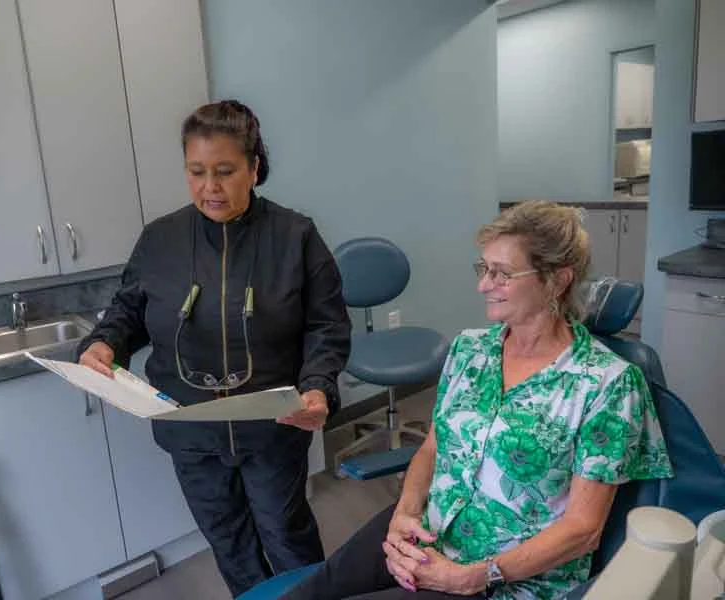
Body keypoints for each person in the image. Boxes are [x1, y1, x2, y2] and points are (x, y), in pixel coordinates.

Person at [282, 200, 673, 600]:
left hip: (506, 578)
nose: (483, 285)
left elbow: (583, 530)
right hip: (431, 528)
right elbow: (432, 449)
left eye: (501, 274)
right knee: (308, 593)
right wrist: (405, 513)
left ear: (557, 280)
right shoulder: (470, 350)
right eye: (483, 269)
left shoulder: (607, 384)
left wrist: (472, 577)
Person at [77, 100, 352, 597]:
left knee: (285, 533)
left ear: (254, 168)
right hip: (191, 433)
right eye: (197, 171)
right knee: (227, 540)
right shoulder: (160, 239)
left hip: (273, 428)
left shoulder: (295, 237)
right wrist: (103, 343)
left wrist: (318, 388)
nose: (210, 186)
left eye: (225, 171)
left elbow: (326, 326)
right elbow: (129, 309)